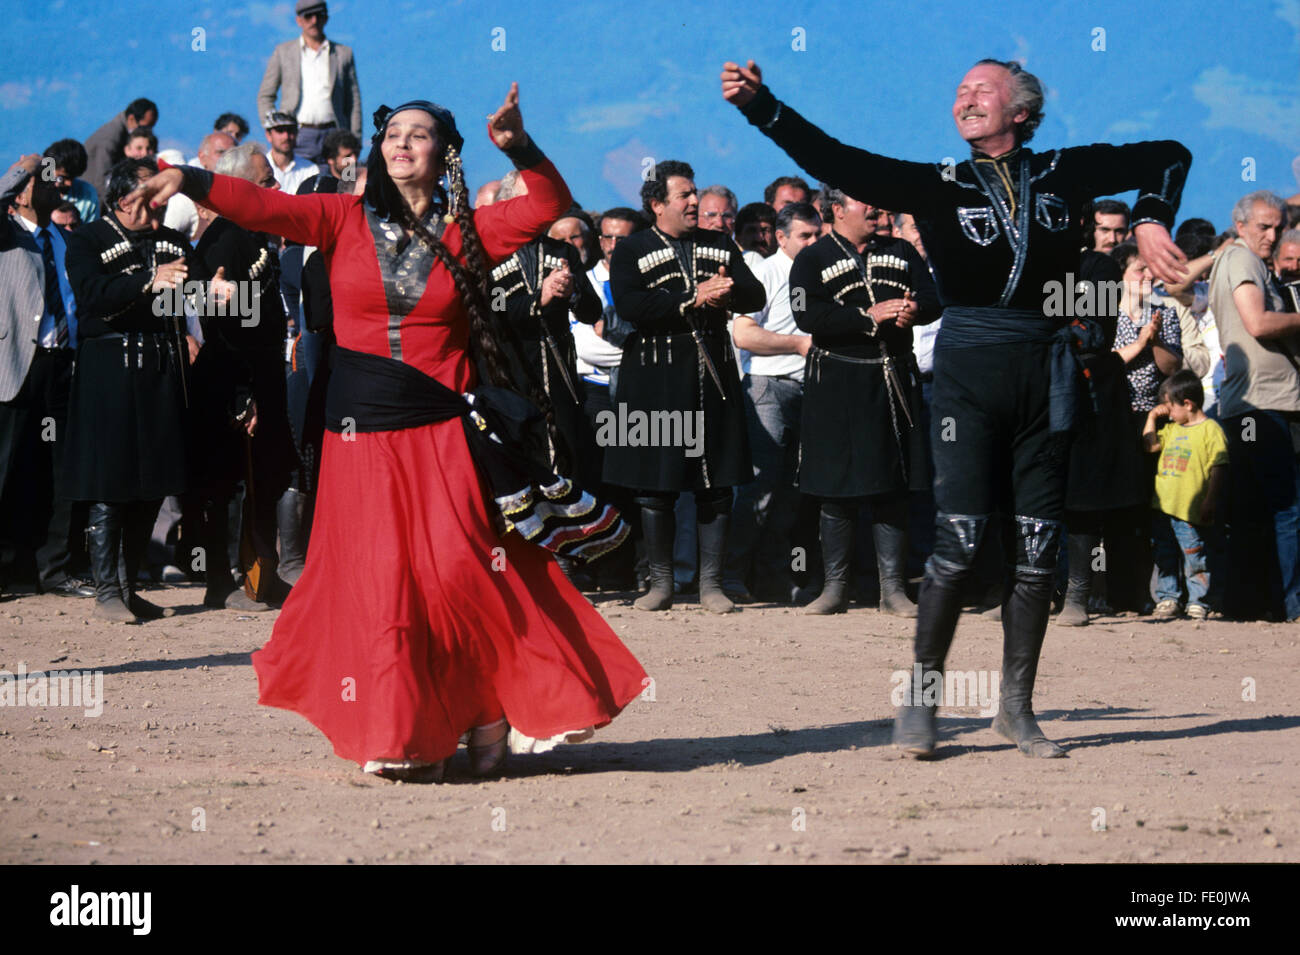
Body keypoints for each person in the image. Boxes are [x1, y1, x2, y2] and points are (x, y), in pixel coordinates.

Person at [130, 83, 645, 782]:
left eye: (420, 134)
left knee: (458, 573)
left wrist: (520, 146)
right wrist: (186, 177)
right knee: (383, 588)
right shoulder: (339, 218)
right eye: (392, 132)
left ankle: (490, 708)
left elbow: (551, 207)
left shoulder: (473, 231)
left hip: (439, 432)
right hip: (358, 433)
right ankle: (406, 733)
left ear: (445, 156)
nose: (402, 141)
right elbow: (261, 204)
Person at [723, 56, 1191, 758]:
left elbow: (1171, 156)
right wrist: (762, 106)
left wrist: (1152, 220)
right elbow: (836, 157)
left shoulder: (1068, 170)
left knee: (1038, 544)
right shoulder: (936, 184)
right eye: (960, 91)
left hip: (1047, 366)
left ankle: (1016, 709)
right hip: (970, 366)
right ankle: (920, 703)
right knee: (961, 538)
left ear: (1023, 111)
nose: (966, 99)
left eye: (983, 90)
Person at [605, 159, 765, 614]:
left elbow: (755, 296)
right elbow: (631, 304)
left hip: (711, 371)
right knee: (656, 486)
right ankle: (661, 584)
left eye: (694, 193)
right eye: (684, 195)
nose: (695, 202)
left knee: (715, 482)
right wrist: (690, 297)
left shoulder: (719, 242)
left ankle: (711, 585)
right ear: (657, 204)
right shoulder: (632, 248)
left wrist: (725, 291)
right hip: (654, 375)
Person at [790, 187, 939, 616]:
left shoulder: (902, 250)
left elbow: (932, 298)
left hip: (892, 376)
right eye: (864, 202)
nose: (876, 208)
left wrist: (913, 310)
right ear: (837, 210)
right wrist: (865, 317)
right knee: (834, 484)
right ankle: (835, 587)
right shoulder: (812, 258)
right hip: (836, 378)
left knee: (893, 482)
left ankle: (892, 590)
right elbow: (807, 315)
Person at [63, 158, 199, 623]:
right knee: (111, 480)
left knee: (153, 480)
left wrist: (211, 291)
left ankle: (129, 585)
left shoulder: (172, 241)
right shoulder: (87, 240)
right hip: (109, 369)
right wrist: (146, 281)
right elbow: (91, 294)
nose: (158, 214)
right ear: (123, 200)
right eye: (148, 203)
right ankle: (106, 591)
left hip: (159, 365)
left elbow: (188, 296)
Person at [0, 155, 89, 600]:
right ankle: (5, 571)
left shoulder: (64, 238)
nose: (56, 184)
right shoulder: (7, 232)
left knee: (57, 472)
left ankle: (52, 569)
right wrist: (20, 171)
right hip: (17, 366)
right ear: (23, 191)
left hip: (60, 366)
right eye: (45, 178)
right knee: (8, 467)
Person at [1210, 190, 1300, 621]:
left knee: (1256, 508)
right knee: (1285, 507)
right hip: (1263, 402)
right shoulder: (1243, 260)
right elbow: (1258, 322)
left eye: (1278, 227)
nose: (1272, 235)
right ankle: (1287, 603)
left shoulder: (1246, 262)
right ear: (1240, 224)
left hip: (1256, 401)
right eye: (1264, 226)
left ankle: (1253, 604)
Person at [724, 201, 819, 603]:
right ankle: (730, 575)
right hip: (767, 386)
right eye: (805, 236)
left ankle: (775, 576)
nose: (814, 242)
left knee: (793, 490)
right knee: (760, 489)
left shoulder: (819, 274)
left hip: (810, 390)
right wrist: (798, 344)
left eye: (818, 234)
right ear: (780, 238)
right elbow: (744, 335)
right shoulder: (764, 272)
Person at [1142, 370, 1228, 620]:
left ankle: (1198, 600)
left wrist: (1210, 500)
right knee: (1164, 555)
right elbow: (1149, 445)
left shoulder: (1211, 430)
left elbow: (1219, 467)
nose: (1167, 412)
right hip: (1163, 509)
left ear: (1188, 404)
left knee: (1195, 556)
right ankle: (1169, 598)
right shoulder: (1172, 429)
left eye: (1170, 407)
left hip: (1190, 511)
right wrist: (1151, 416)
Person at [257, 0, 363, 163]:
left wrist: (355, 139)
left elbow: (353, 100)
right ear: (298, 20)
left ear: (326, 18)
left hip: (336, 132)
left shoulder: (343, 53)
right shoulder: (283, 52)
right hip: (297, 133)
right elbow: (265, 95)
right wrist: (275, 129)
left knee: (345, 183)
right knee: (296, 183)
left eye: (318, 15)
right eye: (308, 16)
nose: (314, 21)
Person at [83, 98, 157, 199]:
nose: (148, 131)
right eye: (145, 127)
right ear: (131, 119)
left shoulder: (121, 133)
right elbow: (102, 178)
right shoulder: (111, 137)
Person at [42, 139, 100, 224]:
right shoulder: (34, 190)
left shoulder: (88, 194)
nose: (69, 184)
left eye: (73, 178)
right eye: (63, 177)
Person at [262, 112, 320, 195]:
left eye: (290, 130)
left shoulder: (311, 169)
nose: (286, 136)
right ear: (268, 135)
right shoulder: (259, 168)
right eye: (280, 130)